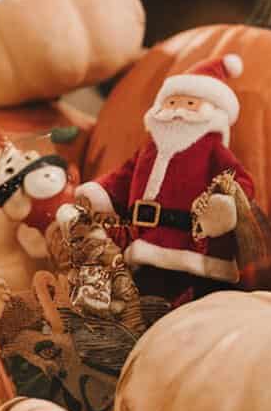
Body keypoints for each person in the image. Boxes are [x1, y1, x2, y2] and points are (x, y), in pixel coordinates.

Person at [69, 55, 254, 306]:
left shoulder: (212, 149)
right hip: (143, 243)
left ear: (212, 111)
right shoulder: (149, 149)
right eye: (172, 102)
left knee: (189, 301)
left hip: (190, 249)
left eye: (190, 103)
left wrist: (223, 204)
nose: (177, 109)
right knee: (142, 297)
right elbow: (123, 177)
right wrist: (98, 191)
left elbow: (241, 181)